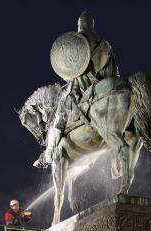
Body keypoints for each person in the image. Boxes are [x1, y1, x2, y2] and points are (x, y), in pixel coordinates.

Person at [34, 10, 120, 167]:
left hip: (80, 90)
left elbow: (72, 72)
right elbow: (115, 72)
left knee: (58, 119)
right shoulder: (105, 45)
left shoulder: (78, 42)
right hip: (105, 86)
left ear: (80, 25)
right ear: (92, 25)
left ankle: (48, 155)